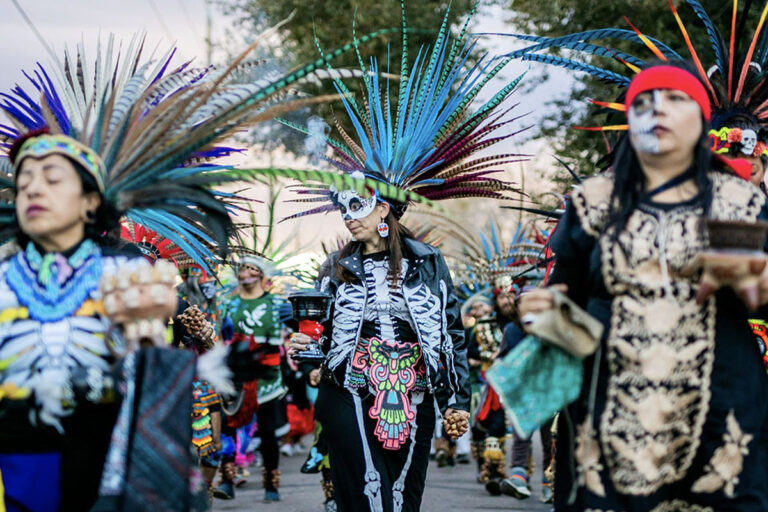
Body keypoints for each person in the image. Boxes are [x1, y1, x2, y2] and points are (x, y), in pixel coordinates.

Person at [519, 61, 768, 510]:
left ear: (701, 121)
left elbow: (759, 295)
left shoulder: (737, 202)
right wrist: (540, 315)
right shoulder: (594, 202)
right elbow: (565, 300)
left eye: (676, 99)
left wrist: (755, 280)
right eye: (644, 101)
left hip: (718, 413)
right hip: (609, 415)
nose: (659, 109)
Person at [216, 256, 288, 502]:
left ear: (262, 274)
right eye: (241, 269)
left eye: (251, 268)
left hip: (266, 377)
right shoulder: (228, 304)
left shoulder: (277, 303)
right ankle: (227, 480)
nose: (245, 273)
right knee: (228, 428)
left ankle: (271, 483)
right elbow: (221, 337)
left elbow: (292, 331)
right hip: (235, 375)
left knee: (268, 432)